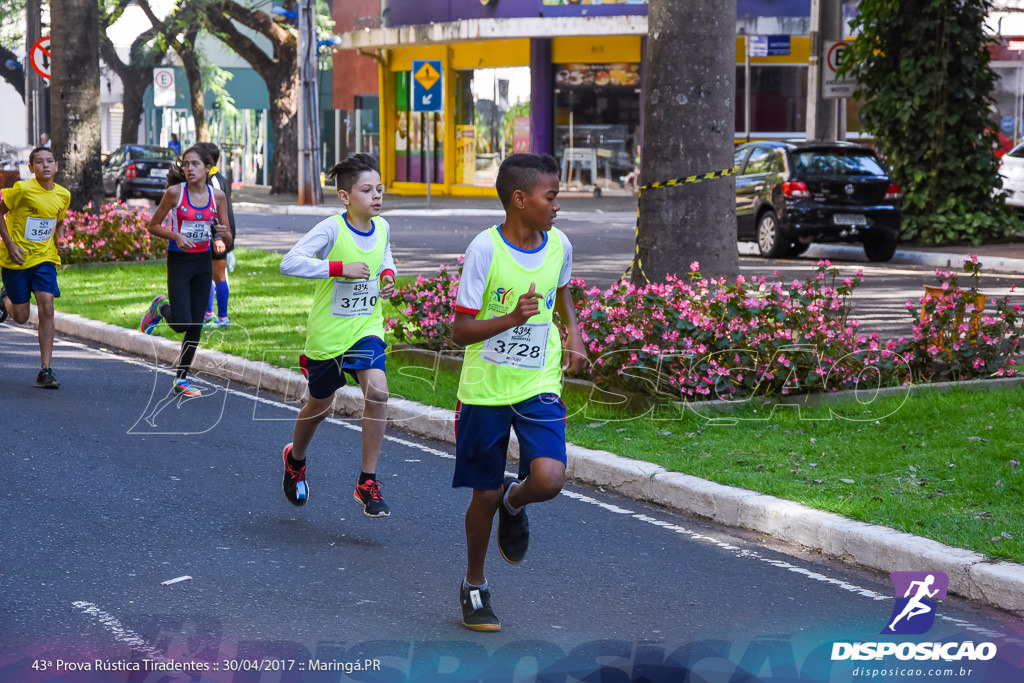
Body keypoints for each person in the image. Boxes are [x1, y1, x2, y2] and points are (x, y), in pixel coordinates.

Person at [451, 153, 586, 631]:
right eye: (551, 197)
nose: (557, 206)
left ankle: (516, 502)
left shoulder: (559, 245)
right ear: (520, 199)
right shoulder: (484, 250)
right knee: (481, 496)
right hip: (486, 390)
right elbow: (460, 331)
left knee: (548, 478)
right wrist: (510, 319)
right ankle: (474, 586)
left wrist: (574, 333)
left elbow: (562, 290)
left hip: (539, 383)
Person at [278, 153, 397, 518]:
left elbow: (385, 257)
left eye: (379, 188)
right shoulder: (332, 229)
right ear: (345, 197)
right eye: (366, 189)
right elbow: (289, 262)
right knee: (320, 405)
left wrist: (388, 276)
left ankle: (367, 481)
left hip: (366, 327)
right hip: (328, 336)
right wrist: (338, 268)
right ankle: (295, 459)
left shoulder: (384, 227)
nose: (376, 195)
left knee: (377, 391)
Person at [138, 144, 232, 398]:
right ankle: (161, 307)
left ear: (207, 168)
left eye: (195, 164)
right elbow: (153, 225)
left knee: (196, 324)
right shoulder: (174, 193)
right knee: (181, 322)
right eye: (186, 164)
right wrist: (175, 235)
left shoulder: (218, 196)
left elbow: (227, 233)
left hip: (203, 261)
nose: (189, 169)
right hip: (179, 261)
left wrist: (222, 237)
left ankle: (182, 378)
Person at [0, 146, 71, 388]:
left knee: (47, 306)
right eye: (39, 162)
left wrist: (61, 240)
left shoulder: (63, 195)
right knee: (21, 317)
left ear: (57, 166)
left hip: (45, 258)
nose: (45, 166)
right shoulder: (21, 190)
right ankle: (5, 300)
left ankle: (46, 370)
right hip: (16, 259)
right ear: (31, 168)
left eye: (49, 161)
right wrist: (9, 244)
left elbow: (58, 221)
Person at [196, 142, 236, 329]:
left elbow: (219, 212)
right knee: (208, 274)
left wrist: (218, 237)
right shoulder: (213, 178)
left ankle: (222, 317)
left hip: (218, 236)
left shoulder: (214, 181)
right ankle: (208, 313)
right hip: (213, 235)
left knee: (218, 275)